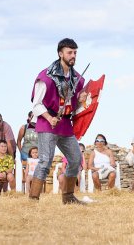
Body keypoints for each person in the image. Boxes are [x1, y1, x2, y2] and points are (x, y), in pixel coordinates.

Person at [29, 38, 87, 204]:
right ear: (60, 53)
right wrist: (49, 117)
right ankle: (33, 199)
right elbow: (36, 104)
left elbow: (73, 107)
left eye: (75, 52)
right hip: (47, 123)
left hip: (65, 125)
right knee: (45, 161)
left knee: (76, 159)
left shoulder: (77, 79)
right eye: (70, 52)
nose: (73, 55)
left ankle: (68, 198)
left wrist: (80, 99)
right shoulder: (46, 76)